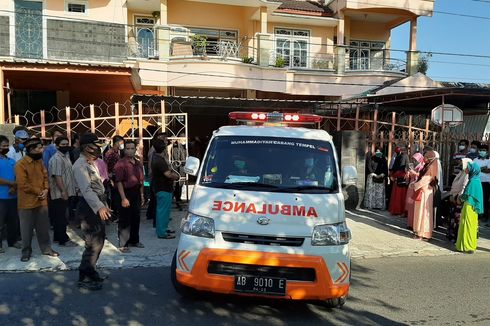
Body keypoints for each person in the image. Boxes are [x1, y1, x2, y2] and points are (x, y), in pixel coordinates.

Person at [72, 133, 111, 290]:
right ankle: (86, 274)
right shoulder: (80, 165)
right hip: (88, 206)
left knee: (98, 240)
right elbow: (87, 190)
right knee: (93, 242)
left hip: (96, 203)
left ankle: (89, 271)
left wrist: (104, 204)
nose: (98, 148)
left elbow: (98, 186)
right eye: (95, 145)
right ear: (87, 147)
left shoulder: (90, 163)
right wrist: (99, 206)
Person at [15, 138, 59, 262]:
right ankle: (26, 252)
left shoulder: (39, 162)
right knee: (26, 229)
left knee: (43, 227)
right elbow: (23, 184)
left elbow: (46, 176)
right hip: (26, 202)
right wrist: (39, 192)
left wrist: (46, 190)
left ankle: (46, 249)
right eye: (39, 148)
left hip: (42, 200)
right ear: (31, 149)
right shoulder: (20, 164)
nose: (42, 149)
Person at [114, 140, 145, 252]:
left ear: (135, 149)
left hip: (136, 192)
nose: (130, 150)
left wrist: (141, 195)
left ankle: (134, 240)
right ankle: (123, 244)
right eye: (128, 148)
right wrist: (123, 198)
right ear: (124, 149)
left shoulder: (138, 163)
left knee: (135, 217)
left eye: (132, 148)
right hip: (125, 192)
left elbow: (141, 180)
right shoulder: (121, 164)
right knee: (124, 219)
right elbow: (119, 182)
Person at [48, 136, 77, 247]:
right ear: (56, 146)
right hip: (59, 193)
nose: (65, 146)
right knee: (61, 217)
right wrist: (63, 191)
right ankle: (63, 240)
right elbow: (57, 176)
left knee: (59, 216)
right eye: (62, 144)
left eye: (66, 144)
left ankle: (57, 237)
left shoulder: (65, 156)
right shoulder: (56, 159)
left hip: (66, 191)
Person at [152, 139, 179, 239]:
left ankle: (163, 228)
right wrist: (176, 177)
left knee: (164, 211)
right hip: (163, 188)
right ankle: (162, 233)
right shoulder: (159, 161)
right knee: (162, 211)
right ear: (164, 149)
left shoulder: (157, 158)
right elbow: (168, 174)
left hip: (161, 187)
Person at [410, 150, 438, 241]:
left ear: (429, 159)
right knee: (420, 213)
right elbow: (420, 178)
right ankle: (418, 232)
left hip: (425, 193)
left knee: (423, 213)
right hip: (423, 191)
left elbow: (424, 180)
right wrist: (415, 183)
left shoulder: (431, 168)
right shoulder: (427, 166)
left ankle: (423, 233)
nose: (424, 159)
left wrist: (414, 185)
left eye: (426, 157)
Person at [455, 162, 483, 253]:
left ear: (473, 170)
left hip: (469, 206)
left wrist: (459, 198)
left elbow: (466, 194)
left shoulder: (473, 181)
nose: (466, 169)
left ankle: (466, 246)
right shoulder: (476, 180)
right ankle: (469, 245)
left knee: (466, 225)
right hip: (472, 207)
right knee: (471, 225)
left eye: (468, 168)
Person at [0, 135, 21, 252]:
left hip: (13, 196)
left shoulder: (11, 161)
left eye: (7, 145)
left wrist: (15, 186)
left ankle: (12, 241)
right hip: (1, 197)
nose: (6, 147)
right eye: (3, 146)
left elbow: (18, 176)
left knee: (13, 220)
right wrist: (11, 184)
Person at [446, 158, 471, 242]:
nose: (460, 164)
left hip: (459, 199)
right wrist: (451, 194)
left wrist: (458, 197)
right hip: (454, 196)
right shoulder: (461, 172)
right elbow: (455, 185)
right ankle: (452, 235)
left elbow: (464, 187)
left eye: (462, 163)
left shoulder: (467, 175)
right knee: (453, 217)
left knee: (458, 219)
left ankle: (457, 237)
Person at [147, 133, 168, 224]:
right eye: (164, 139)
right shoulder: (154, 151)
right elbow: (152, 163)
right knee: (156, 200)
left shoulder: (156, 149)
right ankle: (156, 219)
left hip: (155, 176)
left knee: (154, 198)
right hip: (156, 177)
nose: (166, 141)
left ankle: (151, 215)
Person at [405, 152, 425, 229]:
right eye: (413, 159)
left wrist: (414, 173)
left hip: (417, 186)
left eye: (415, 159)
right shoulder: (414, 166)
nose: (414, 161)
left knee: (415, 205)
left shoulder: (422, 167)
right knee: (410, 204)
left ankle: (415, 224)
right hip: (411, 185)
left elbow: (421, 176)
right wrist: (408, 173)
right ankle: (410, 223)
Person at [472, 144, 490, 224]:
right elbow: (473, 170)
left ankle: (485, 216)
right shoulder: (475, 160)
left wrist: (479, 169)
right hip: (477, 182)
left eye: (484, 150)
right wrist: (483, 168)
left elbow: (488, 170)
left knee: (485, 200)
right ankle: (478, 215)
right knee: (477, 199)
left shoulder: (489, 160)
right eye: (481, 150)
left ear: (487, 151)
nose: (482, 152)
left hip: (486, 182)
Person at [388, 146, 409, 216]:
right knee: (398, 195)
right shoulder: (400, 156)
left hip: (400, 178)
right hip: (398, 177)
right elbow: (396, 167)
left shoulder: (403, 156)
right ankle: (398, 210)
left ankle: (399, 210)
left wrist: (392, 175)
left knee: (399, 195)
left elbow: (405, 167)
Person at [169, 134, 187, 210]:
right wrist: (183, 162)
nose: (185, 140)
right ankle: (176, 200)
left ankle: (177, 199)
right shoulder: (176, 148)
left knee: (179, 184)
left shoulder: (182, 147)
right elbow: (179, 159)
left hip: (180, 168)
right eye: (184, 138)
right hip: (177, 168)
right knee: (176, 184)